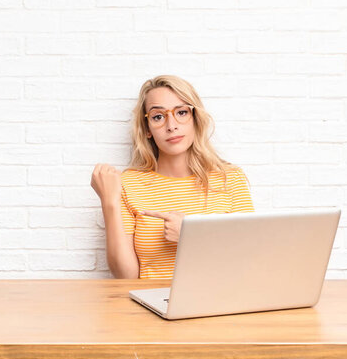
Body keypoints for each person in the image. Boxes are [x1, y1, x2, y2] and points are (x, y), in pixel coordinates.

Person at [91, 75, 254, 279]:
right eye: (158, 116)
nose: (171, 125)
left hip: (216, 304)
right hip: (151, 306)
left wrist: (190, 236)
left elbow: (248, 260)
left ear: (195, 118)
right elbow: (126, 277)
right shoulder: (129, 184)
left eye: (182, 112)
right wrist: (109, 202)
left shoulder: (230, 179)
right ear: (148, 128)